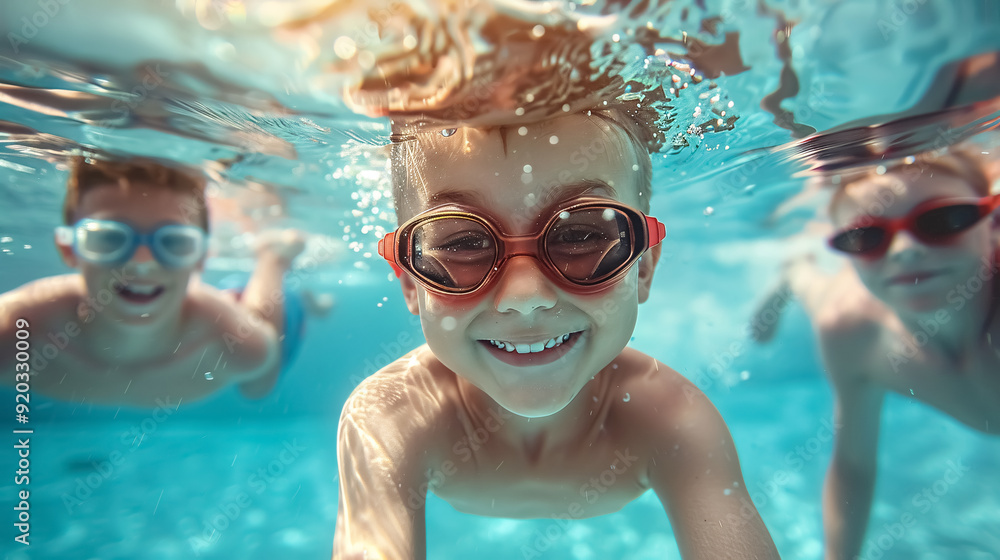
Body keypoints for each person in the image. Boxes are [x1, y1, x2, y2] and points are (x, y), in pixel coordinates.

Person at [333, 110, 781, 559]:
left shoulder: (674, 422)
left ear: (642, 265)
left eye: (581, 232)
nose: (524, 297)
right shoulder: (391, 417)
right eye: (462, 244)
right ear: (411, 281)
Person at [750, 149, 999, 559]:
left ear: (993, 223)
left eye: (943, 220)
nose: (904, 250)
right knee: (819, 293)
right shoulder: (853, 330)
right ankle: (793, 271)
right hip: (857, 304)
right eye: (864, 237)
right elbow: (854, 465)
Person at [0, 156, 307, 405]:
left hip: (221, 320)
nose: (141, 263)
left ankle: (273, 259)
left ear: (201, 256)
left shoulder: (235, 342)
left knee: (258, 386)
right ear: (69, 249)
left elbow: (261, 366)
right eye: (109, 239)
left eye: (173, 243)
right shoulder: (16, 331)